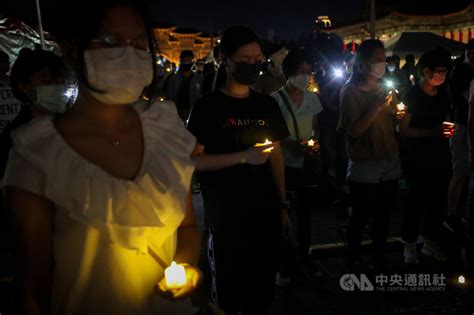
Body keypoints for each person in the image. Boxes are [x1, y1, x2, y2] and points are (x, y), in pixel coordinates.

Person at [3, 1, 201, 314]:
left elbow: (187, 228)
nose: (128, 53)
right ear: (71, 50)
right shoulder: (37, 156)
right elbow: (32, 286)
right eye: (109, 41)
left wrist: (186, 267)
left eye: (138, 43)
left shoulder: (165, 133)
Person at [187, 25, 291, 314]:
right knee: (228, 296)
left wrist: (283, 205)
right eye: (244, 60)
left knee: (262, 292)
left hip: (266, 213)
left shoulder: (266, 105)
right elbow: (192, 160)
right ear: (224, 59)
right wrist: (242, 157)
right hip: (226, 218)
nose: (253, 65)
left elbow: (276, 157)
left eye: (257, 59)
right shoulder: (207, 108)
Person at [337, 39, 405, 268]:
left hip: (389, 157)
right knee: (361, 213)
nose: (382, 64)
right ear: (363, 64)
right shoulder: (351, 92)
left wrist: (398, 116)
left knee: (383, 213)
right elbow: (353, 130)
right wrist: (376, 106)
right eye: (378, 59)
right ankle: (354, 256)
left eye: (383, 59)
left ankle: (379, 255)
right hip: (365, 162)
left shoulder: (385, 87)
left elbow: (394, 117)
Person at [271, 48, 323, 274]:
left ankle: (304, 255)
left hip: (307, 165)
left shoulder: (312, 98)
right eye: (300, 72)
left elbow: (316, 127)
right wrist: (292, 145)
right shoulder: (274, 101)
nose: (306, 76)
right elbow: (274, 136)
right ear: (289, 72)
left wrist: (314, 144)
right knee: (285, 215)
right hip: (284, 165)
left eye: (309, 72)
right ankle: (285, 262)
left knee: (305, 213)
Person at [399, 48, 452, 264]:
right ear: (426, 71)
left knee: (437, 199)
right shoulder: (412, 95)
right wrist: (433, 132)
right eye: (439, 71)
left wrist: (447, 131)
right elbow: (403, 129)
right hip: (416, 155)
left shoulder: (443, 92)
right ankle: (410, 244)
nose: (442, 75)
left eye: (445, 71)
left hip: (439, 154)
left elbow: (446, 119)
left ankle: (431, 241)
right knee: (415, 199)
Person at [446, 39, 474, 232]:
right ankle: (451, 214)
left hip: (464, 122)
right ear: (468, 52)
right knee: (461, 171)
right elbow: (466, 100)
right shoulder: (460, 71)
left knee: (464, 172)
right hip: (462, 124)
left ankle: (459, 212)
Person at [166, 50, 203, 122]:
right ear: (180, 61)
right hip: (176, 114)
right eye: (185, 60)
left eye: (189, 60)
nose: (187, 62)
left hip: (193, 114)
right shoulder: (173, 79)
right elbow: (169, 97)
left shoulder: (199, 79)